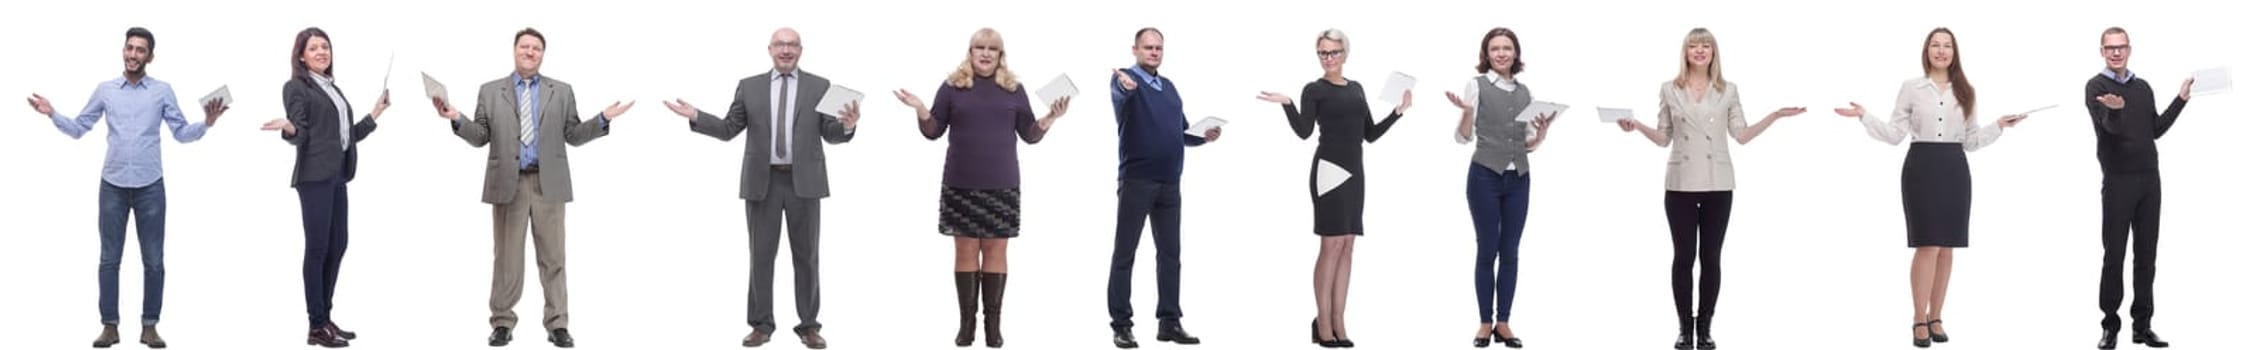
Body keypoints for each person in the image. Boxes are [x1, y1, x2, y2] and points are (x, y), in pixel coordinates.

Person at [430, 27, 634, 349]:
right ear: (514, 51)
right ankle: (501, 323)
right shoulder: (490, 90)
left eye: (536, 48)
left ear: (543, 54)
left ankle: (558, 324)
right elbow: (480, 136)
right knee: (506, 259)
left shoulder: (561, 91)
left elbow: (574, 135)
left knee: (554, 258)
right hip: (507, 184)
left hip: (548, 184)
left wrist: (602, 119)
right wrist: (456, 117)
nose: (529, 52)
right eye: (524, 46)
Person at [26, 26, 229, 349]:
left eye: (140, 50)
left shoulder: (162, 91)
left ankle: (150, 326)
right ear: (123, 50)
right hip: (113, 186)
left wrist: (206, 123)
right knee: (109, 259)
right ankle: (110, 326)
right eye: (129, 48)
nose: (133, 54)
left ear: (150, 56)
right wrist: (53, 114)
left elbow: (180, 132)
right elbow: (80, 128)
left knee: (154, 260)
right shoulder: (106, 90)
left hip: (151, 186)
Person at [661, 27, 859, 350]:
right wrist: (696, 116)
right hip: (762, 182)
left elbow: (831, 133)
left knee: (807, 257)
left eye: (792, 44)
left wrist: (848, 126)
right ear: (769, 49)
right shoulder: (749, 86)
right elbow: (728, 129)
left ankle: (809, 326)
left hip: (804, 184)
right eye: (780, 44)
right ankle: (761, 325)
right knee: (761, 256)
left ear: (801, 50)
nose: (786, 49)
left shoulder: (820, 86)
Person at [1831, 27, 2029, 349]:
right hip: (1922, 168)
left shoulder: (1967, 90)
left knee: (1947, 247)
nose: (1941, 51)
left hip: (1954, 169)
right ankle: (1918, 317)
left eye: (1947, 45)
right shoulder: (1911, 88)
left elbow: (1972, 141)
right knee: (1928, 246)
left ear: (1954, 52)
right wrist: (1864, 116)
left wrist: (2000, 126)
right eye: (1935, 45)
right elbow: (1895, 134)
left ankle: (1937, 316)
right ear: (1927, 51)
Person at [1612, 28, 1805, 350]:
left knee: (1711, 256)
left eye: (1705, 46)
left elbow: (1741, 135)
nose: (1699, 51)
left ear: (1714, 52)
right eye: (1693, 46)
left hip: (1718, 183)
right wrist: (1636, 126)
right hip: (1681, 183)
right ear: (1685, 52)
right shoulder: (1669, 89)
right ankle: (1685, 329)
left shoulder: (1728, 90)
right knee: (1684, 256)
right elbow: (1663, 138)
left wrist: (1775, 116)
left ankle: (1706, 328)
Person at [891, 27, 1070, 349]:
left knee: (996, 251)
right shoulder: (952, 87)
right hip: (961, 182)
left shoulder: (1014, 89)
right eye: (979, 48)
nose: (985, 53)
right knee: (965, 250)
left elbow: (1029, 135)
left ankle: (993, 326)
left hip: (1001, 183)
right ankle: (966, 325)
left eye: (992, 49)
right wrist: (920, 109)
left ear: (1001, 55)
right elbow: (933, 131)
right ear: (970, 52)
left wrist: (1049, 119)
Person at [1255, 28, 1410, 349]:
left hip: (1355, 173)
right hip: (1328, 171)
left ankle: (1340, 320)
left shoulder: (1357, 88)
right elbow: (1303, 131)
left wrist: (1397, 112)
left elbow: (1369, 133)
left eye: (1334, 52)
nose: (1328, 58)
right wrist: (1287, 104)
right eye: (1323, 53)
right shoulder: (1314, 89)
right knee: (1330, 246)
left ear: (1345, 54)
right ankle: (1323, 321)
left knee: (1348, 246)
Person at [255, 27, 389, 348]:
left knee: (338, 245)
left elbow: (344, 137)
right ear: (301, 55)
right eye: (313, 48)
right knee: (317, 249)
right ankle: (316, 324)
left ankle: (324, 318)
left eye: (325, 47)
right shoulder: (296, 87)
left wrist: (376, 112)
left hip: (337, 176)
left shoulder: (333, 88)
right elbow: (300, 132)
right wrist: (288, 128)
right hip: (314, 177)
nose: (321, 52)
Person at [1439, 27, 1555, 350]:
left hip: (1518, 178)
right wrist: (1466, 113)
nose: (1501, 53)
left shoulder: (1525, 92)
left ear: (1515, 53)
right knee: (1487, 248)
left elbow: (1526, 144)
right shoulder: (1475, 86)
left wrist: (1542, 134)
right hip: (1484, 177)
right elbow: (1463, 139)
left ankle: (1503, 322)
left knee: (1511, 251)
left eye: (1507, 48)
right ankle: (1484, 322)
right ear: (1486, 54)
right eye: (1495, 49)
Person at [1106, 26, 1216, 349]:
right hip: (1137, 181)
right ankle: (1121, 325)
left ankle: (1169, 322)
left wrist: (1203, 136)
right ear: (1135, 50)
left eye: (1158, 48)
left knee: (1171, 255)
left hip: (1170, 183)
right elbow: (1121, 92)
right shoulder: (1124, 79)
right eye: (1148, 47)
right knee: (1125, 253)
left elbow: (1180, 132)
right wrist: (1126, 87)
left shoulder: (1169, 88)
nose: (1154, 52)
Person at [2084, 26, 2191, 350]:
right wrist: (2114, 111)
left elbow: (2155, 129)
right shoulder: (2096, 86)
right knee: (2114, 255)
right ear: (2102, 52)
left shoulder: (2142, 87)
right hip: (2118, 181)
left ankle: (2142, 326)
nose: (2116, 53)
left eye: (2121, 47)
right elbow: (2108, 128)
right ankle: (2110, 327)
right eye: (2109, 48)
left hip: (2149, 180)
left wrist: (2181, 100)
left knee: (2146, 256)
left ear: (2129, 49)